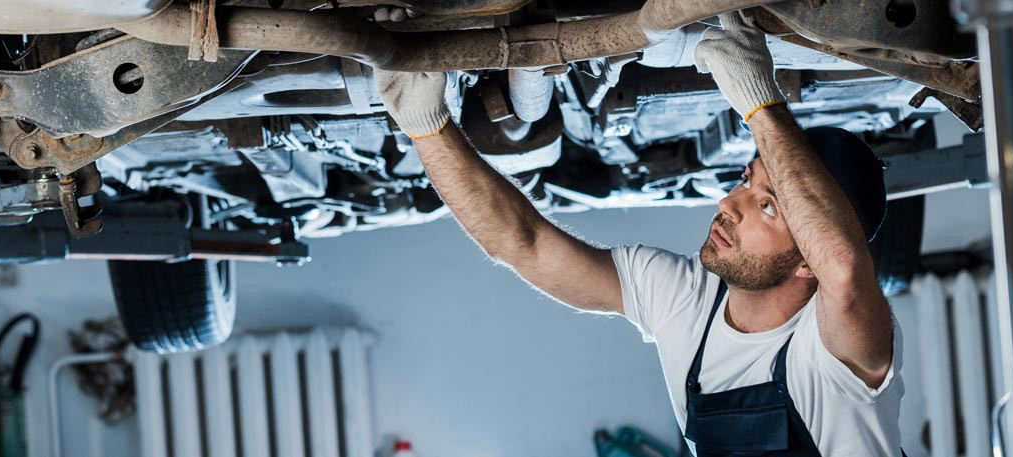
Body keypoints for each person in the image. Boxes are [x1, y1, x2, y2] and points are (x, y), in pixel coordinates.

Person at [373, 11, 902, 456]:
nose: (728, 204)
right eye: (746, 180)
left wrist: (761, 104)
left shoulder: (842, 358)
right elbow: (524, 244)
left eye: (768, 205)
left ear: (808, 258)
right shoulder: (687, 301)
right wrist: (427, 127)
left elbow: (846, 267)